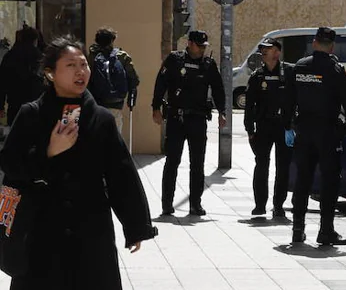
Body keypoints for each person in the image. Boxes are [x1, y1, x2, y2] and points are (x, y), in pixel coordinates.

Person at [0, 38, 157, 290]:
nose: (81, 72)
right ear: (50, 73)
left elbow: (121, 173)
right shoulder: (31, 114)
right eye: (71, 66)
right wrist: (49, 152)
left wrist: (135, 224)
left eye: (83, 64)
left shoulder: (100, 118)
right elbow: (12, 168)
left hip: (90, 229)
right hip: (42, 229)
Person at [284, 26, 346, 246]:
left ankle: (297, 229)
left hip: (303, 132)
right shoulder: (335, 69)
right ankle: (326, 231)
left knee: (302, 180)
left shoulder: (299, 67)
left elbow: (288, 100)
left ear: (315, 43)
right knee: (329, 182)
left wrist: (287, 126)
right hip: (327, 134)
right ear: (332, 46)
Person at [151, 30, 226, 217]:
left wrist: (222, 112)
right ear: (190, 44)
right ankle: (167, 204)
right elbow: (161, 83)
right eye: (199, 46)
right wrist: (156, 107)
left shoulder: (208, 65)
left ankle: (195, 204)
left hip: (198, 119)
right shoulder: (175, 60)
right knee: (172, 161)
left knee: (197, 164)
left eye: (204, 47)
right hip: (177, 118)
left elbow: (218, 89)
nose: (202, 49)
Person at [244, 36, 292, 218]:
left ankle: (278, 205)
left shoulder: (288, 73)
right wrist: (250, 130)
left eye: (268, 48)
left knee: (283, 167)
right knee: (261, 165)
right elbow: (249, 106)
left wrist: (294, 126)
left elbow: (295, 100)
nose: (263, 51)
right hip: (264, 127)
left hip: (284, 127)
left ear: (277, 52)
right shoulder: (257, 76)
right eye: (262, 48)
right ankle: (259, 205)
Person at [86, 27, 140, 147]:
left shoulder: (91, 57)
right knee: (114, 138)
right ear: (112, 40)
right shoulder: (122, 56)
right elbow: (134, 79)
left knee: (97, 139)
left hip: (97, 104)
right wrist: (132, 97)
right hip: (116, 104)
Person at [0, 25, 46, 127]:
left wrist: (1, 105)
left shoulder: (10, 56)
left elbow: (2, 82)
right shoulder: (38, 56)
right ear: (35, 40)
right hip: (35, 102)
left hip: (15, 102)